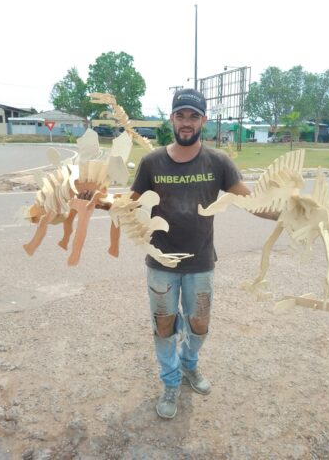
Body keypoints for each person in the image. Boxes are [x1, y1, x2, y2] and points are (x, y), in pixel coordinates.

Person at [131, 88, 276, 419]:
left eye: (193, 116)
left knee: (199, 323)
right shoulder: (152, 162)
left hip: (200, 262)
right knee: (164, 324)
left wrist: (286, 213)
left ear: (203, 121)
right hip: (161, 262)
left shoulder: (218, 162)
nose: (186, 123)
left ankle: (188, 365)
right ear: (171, 119)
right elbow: (130, 202)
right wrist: (94, 198)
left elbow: (250, 201)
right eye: (180, 116)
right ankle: (169, 382)